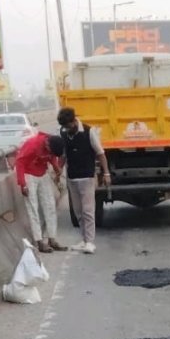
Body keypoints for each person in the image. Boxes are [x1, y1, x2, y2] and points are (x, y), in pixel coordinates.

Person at [57, 106, 110, 253]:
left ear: (74, 121)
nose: (67, 129)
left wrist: (106, 174)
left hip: (87, 177)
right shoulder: (63, 134)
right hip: (72, 178)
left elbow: (100, 153)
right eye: (64, 127)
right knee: (78, 212)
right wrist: (58, 171)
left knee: (88, 211)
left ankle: (90, 242)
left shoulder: (89, 132)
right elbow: (63, 156)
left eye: (68, 126)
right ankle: (84, 240)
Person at [14, 127, 65, 253]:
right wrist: (23, 184)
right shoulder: (33, 145)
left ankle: (52, 239)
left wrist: (56, 168)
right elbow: (19, 162)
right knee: (33, 208)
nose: (49, 153)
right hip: (29, 174)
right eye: (49, 150)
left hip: (42, 173)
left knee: (50, 206)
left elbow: (52, 157)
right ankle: (39, 241)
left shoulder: (51, 145)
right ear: (46, 143)